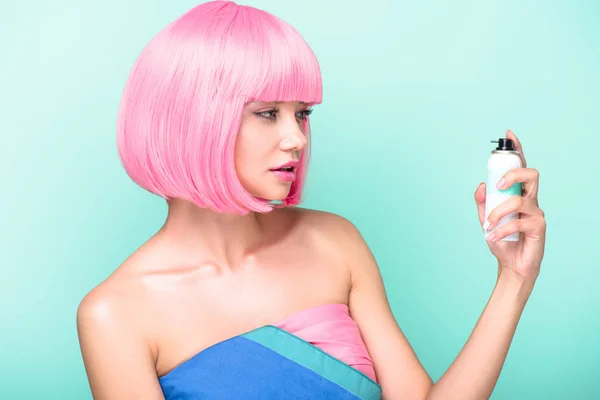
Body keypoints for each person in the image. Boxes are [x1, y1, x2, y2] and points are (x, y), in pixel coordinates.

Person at [76, 1, 547, 399]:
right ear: (193, 121)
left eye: (301, 114)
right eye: (267, 114)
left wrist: (513, 280)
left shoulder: (333, 241)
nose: (296, 139)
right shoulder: (115, 315)